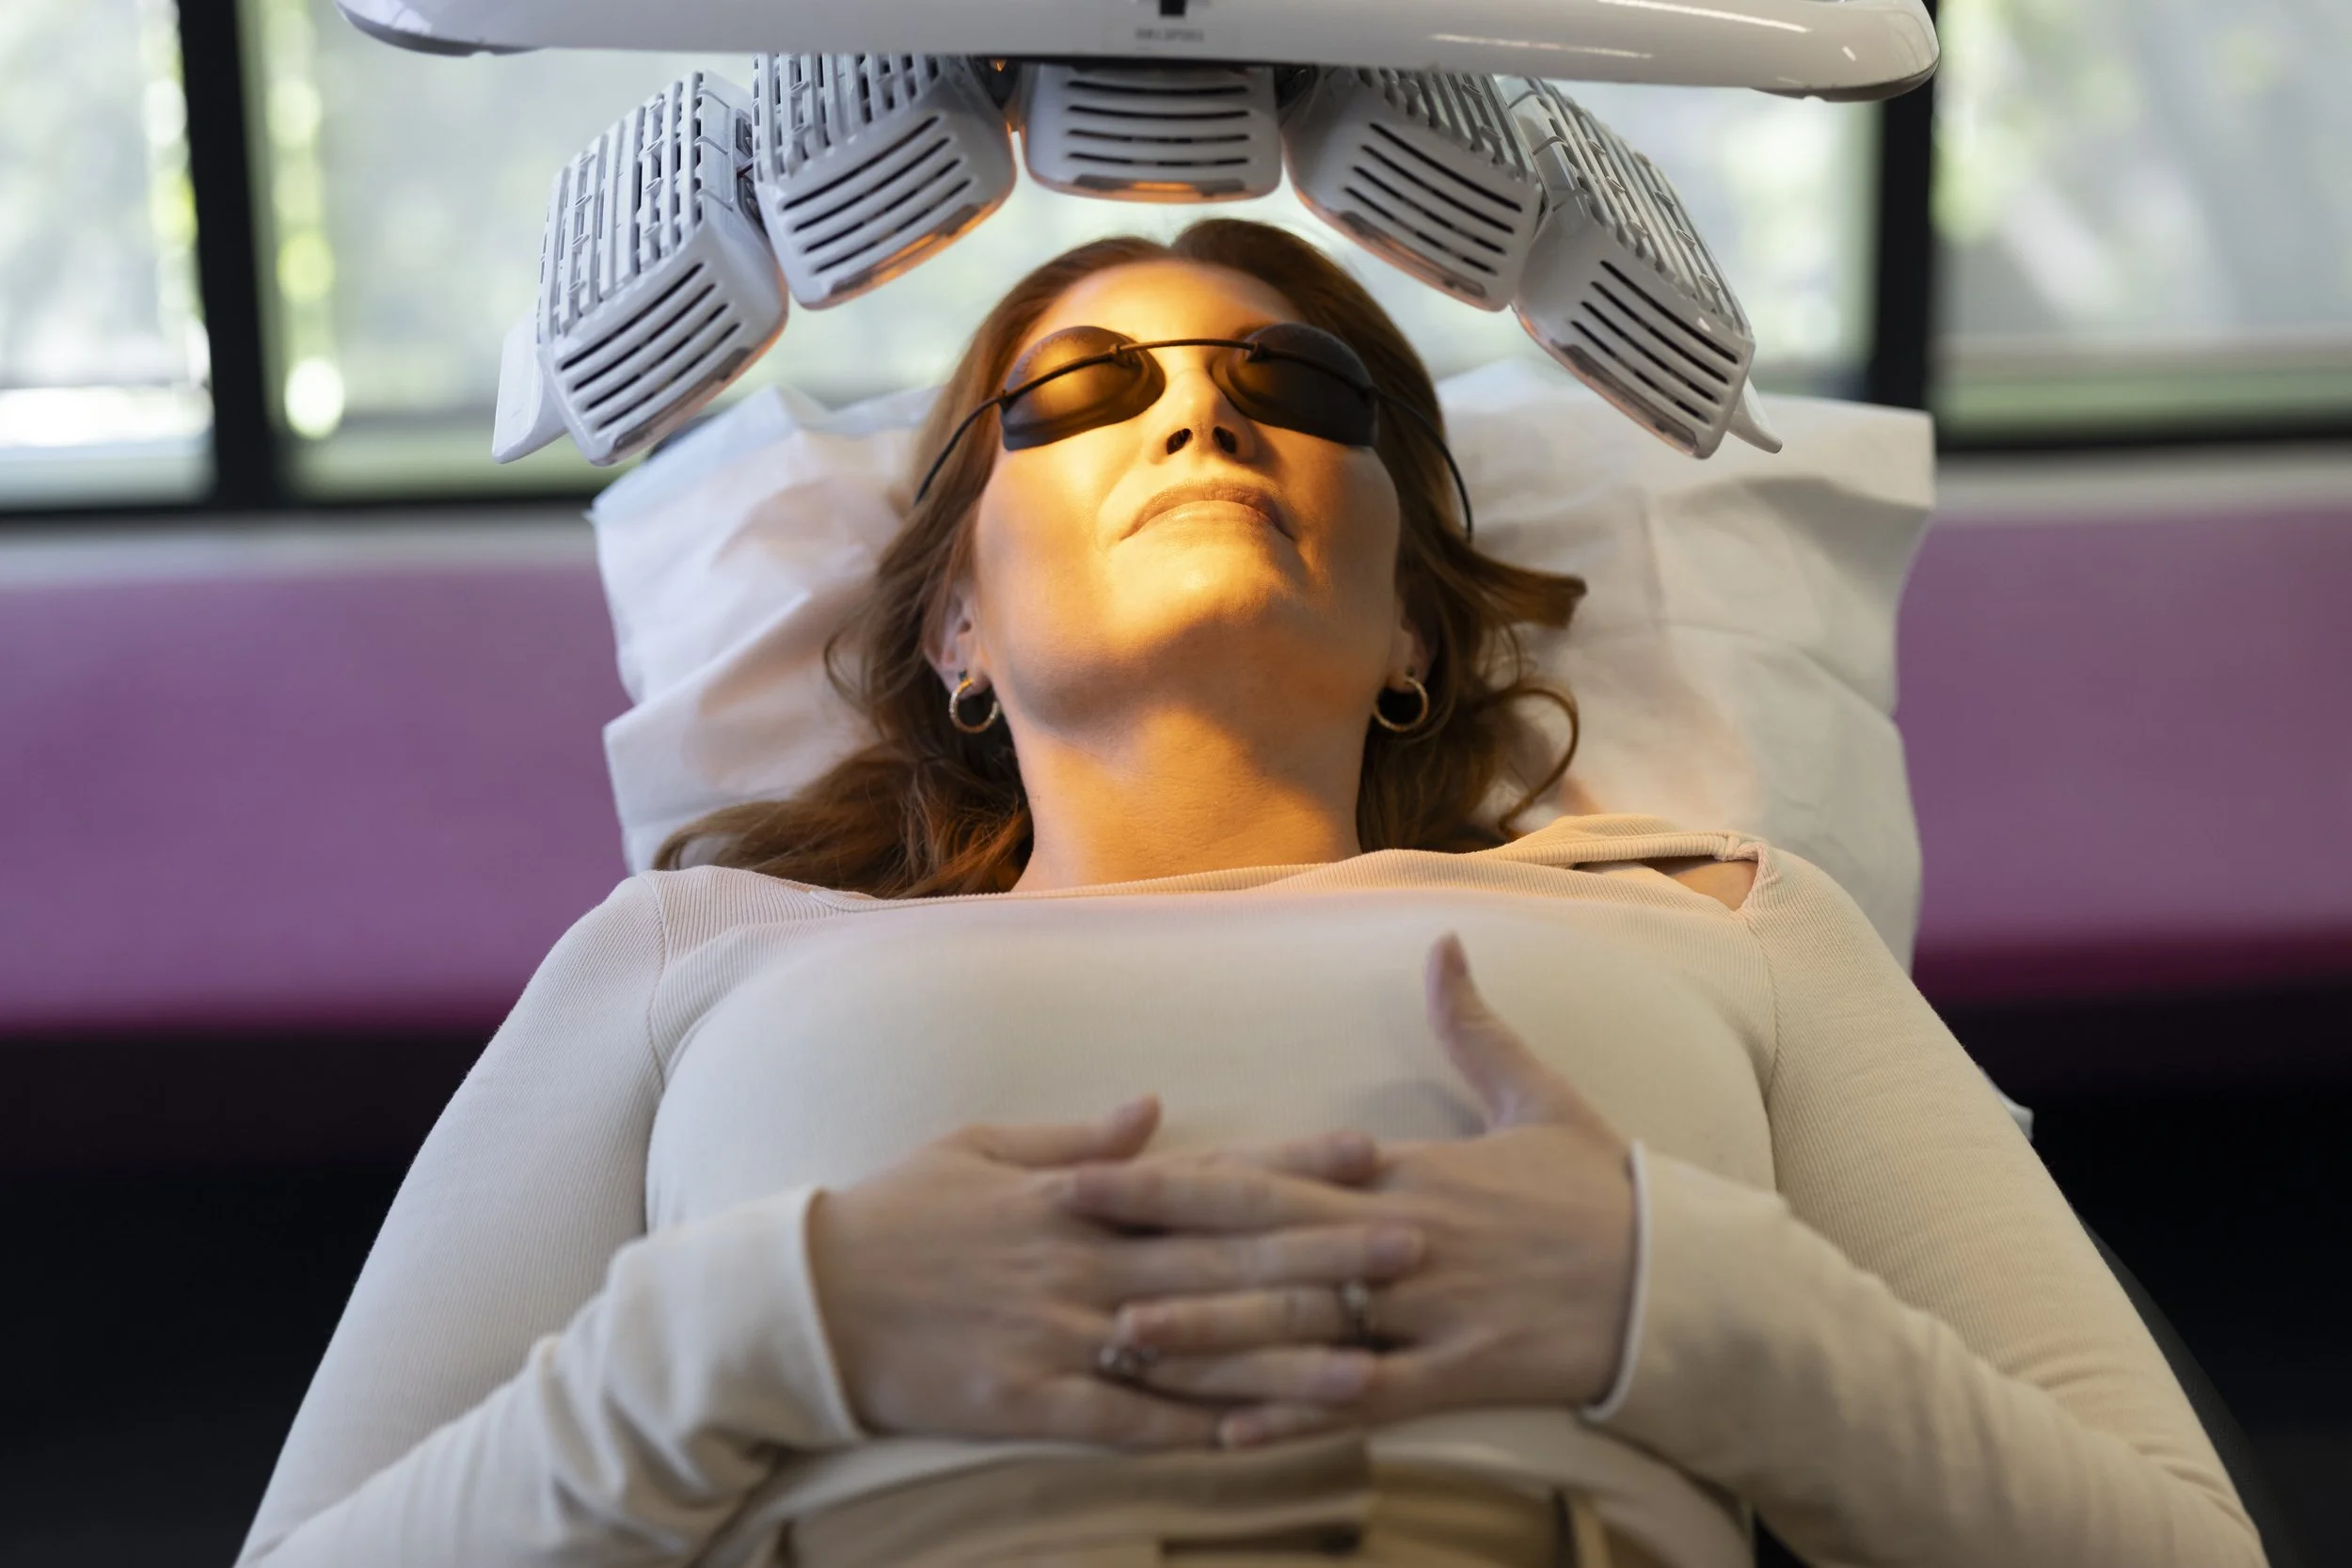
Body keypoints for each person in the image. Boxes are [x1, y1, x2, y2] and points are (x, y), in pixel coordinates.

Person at [236, 220, 2266, 1568]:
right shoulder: (696, 957)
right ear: (952, 617)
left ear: (1411, 623)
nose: (1201, 405)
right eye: (1081, 394)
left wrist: (1685, 1303)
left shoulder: (1720, 914)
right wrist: (775, 1328)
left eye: (1304, 390)